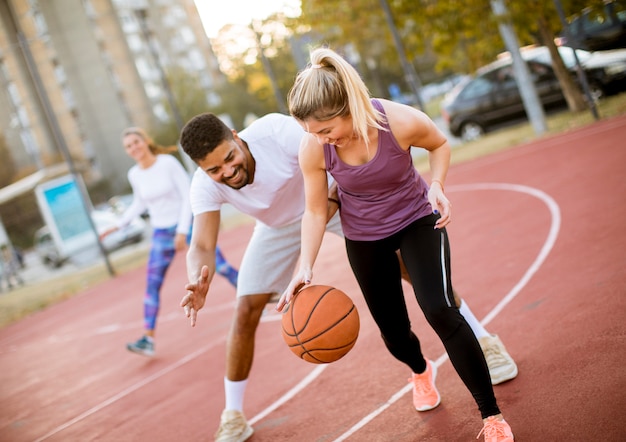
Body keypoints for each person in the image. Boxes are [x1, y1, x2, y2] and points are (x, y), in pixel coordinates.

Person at [179, 111, 515, 441]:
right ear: (201, 169)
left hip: (331, 199)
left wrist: (326, 212)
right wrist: (197, 276)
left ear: (237, 137)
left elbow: (331, 159)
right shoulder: (205, 185)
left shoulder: (274, 134)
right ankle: (233, 416)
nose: (227, 171)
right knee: (245, 310)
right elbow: (202, 244)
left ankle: (485, 341)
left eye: (229, 157)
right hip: (275, 229)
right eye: (214, 170)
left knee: (412, 271)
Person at [278, 47, 514, 441]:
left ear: (347, 108)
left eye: (323, 129)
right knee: (394, 331)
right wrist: (306, 266)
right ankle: (421, 370)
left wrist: (437, 185)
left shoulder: (398, 121)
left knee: (440, 309)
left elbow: (439, 144)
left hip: (417, 220)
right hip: (364, 236)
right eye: (311, 133)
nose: (318, 138)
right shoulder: (314, 147)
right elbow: (317, 211)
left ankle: (492, 417)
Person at [101, 127, 238, 357]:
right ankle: (148, 338)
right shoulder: (134, 174)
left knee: (220, 267)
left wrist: (183, 231)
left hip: (188, 226)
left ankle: (256, 298)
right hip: (161, 233)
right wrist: (119, 224)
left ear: (145, 141)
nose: (134, 148)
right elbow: (139, 203)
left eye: (136, 142)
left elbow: (188, 196)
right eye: (128, 146)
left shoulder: (167, 163)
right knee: (152, 286)